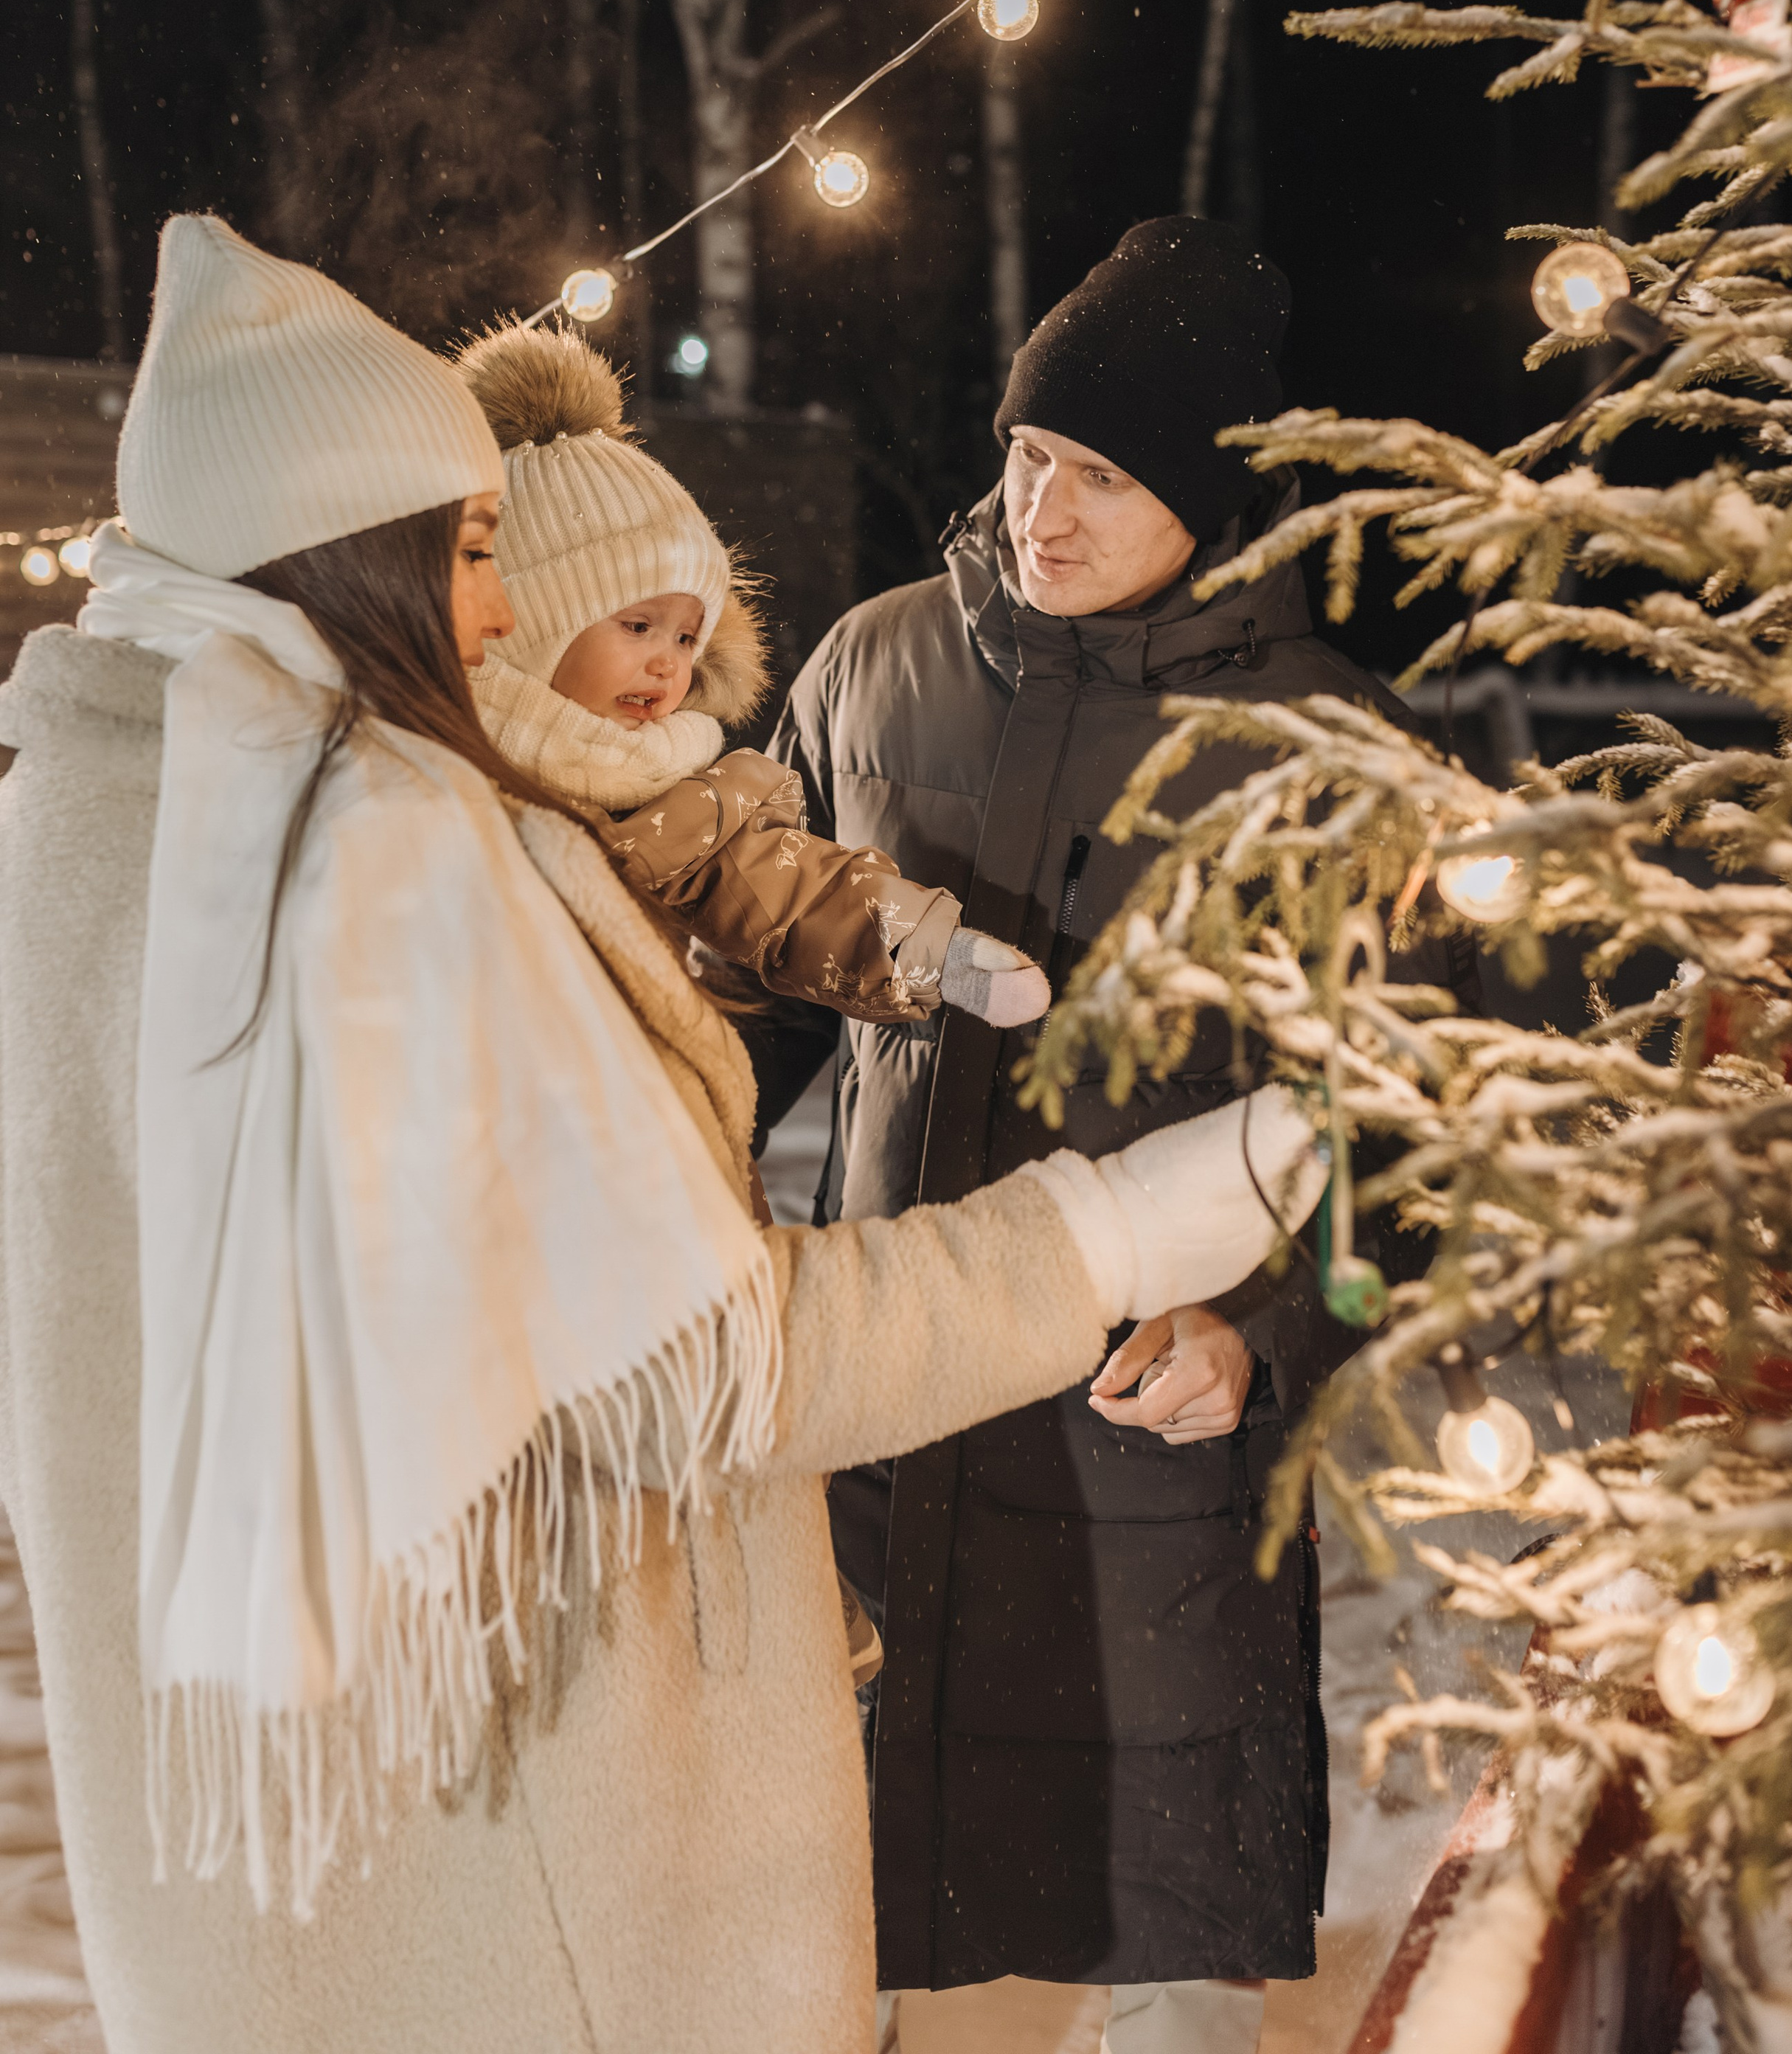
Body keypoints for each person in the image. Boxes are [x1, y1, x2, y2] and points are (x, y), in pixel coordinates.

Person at [0, 214, 1324, 2054]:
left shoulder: (124, 797)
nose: (498, 604)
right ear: (343, 546)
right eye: (471, 549)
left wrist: (1259, 1322)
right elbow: (711, 1346)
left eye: (1102, 472)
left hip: (337, 1831)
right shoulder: (375, 857)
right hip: (542, 1837)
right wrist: (1106, 1230)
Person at [765, 216, 1463, 2053]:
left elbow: (1395, 1138)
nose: (1038, 508)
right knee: (861, 1970)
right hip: (879, 1445)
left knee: (1140, 1986)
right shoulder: (866, 668)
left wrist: (1270, 1340)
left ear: (1210, 499)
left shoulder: (1331, 754)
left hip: (1140, 1480)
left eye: (1099, 472)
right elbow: (741, 1000)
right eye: (1023, 454)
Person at [453, 321, 1050, 1043]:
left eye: (686, 636)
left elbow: (795, 891)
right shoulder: (434, 763)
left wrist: (940, 955)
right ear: (524, 620)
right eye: (637, 627)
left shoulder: (669, 802)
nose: (668, 663)